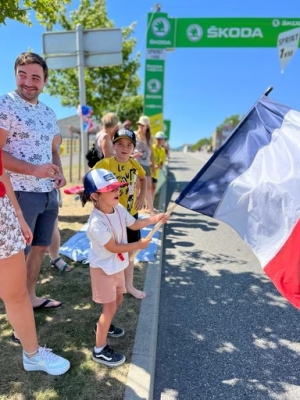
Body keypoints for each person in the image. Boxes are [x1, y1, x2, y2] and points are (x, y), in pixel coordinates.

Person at [79, 168, 168, 367]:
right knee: (109, 307)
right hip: (103, 270)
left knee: (118, 299)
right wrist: (138, 245)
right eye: (110, 189)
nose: (117, 191)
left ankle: (104, 324)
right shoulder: (96, 223)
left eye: (117, 187)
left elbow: (135, 224)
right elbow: (113, 247)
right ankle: (99, 350)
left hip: (117, 266)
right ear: (95, 196)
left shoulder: (118, 209)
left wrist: (154, 219)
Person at [0, 133, 70, 375]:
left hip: (3, 214)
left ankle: (32, 355)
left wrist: (17, 215)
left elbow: (1, 172)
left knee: (16, 292)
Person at [0, 52, 66, 309]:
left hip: (48, 193)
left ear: (45, 81)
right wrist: (33, 170)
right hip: (18, 193)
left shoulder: (49, 113)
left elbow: (53, 151)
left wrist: (58, 173)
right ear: (15, 75)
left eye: (35, 77)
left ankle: (29, 298)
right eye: (22, 75)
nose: (28, 82)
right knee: (17, 255)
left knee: (40, 247)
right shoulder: (6, 105)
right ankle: (17, 315)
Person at [93, 129, 147, 299]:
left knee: (130, 252)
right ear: (114, 146)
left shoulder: (134, 165)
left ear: (133, 148)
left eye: (129, 145)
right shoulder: (105, 164)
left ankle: (128, 285)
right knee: (112, 250)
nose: (125, 148)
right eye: (120, 144)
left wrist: (141, 195)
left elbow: (143, 178)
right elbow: (90, 179)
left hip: (130, 215)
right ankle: (111, 284)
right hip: (111, 217)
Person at [49, 134, 71, 272]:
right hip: (20, 187)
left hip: (49, 185)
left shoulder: (48, 120)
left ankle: (55, 257)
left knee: (53, 225)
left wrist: (60, 174)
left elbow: (55, 149)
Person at [132, 116, 156, 215]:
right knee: (136, 187)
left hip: (146, 164)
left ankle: (151, 210)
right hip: (136, 163)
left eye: (142, 125)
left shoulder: (150, 138)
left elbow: (152, 153)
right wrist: (132, 156)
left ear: (147, 126)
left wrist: (153, 165)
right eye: (139, 124)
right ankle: (134, 209)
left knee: (148, 187)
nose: (140, 126)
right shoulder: (134, 135)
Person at [151, 131, 167, 201]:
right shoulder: (151, 148)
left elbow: (163, 161)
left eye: (161, 139)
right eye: (158, 139)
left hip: (156, 173)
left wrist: (160, 166)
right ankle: (147, 207)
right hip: (149, 172)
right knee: (149, 189)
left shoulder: (163, 150)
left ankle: (151, 205)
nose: (160, 141)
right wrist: (153, 165)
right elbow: (147, 159)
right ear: (155, 139)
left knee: (154, 188)